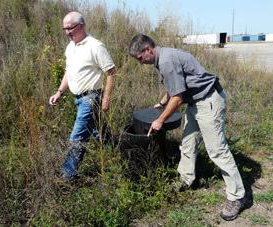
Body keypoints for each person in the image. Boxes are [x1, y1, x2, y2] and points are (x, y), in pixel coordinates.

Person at [128, 34, 246, 221]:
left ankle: (237, 196)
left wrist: (160, 120)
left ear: (148, 50)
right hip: (196, 103)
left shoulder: (166, 61)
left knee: (217, 150)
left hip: (208, 101)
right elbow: (175, 86)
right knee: (188, 143)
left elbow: (178, 98)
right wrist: (161, 102)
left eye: (140, 58)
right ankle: (187, 178)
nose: (140, 62)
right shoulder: (164, 57)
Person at [49, 11, 116, 180]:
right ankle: (121, 154)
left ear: (81, 26)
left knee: (77, 137)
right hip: (78, 99)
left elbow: (111, 72)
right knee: (101, 134)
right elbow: (69, 72)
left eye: (70, 28)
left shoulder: (95, 46)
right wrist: (59, 92)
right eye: (65, 29)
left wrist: (106, 99)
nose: (67, 32)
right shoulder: (70, 47)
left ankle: (67, 177)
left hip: (91, 98)